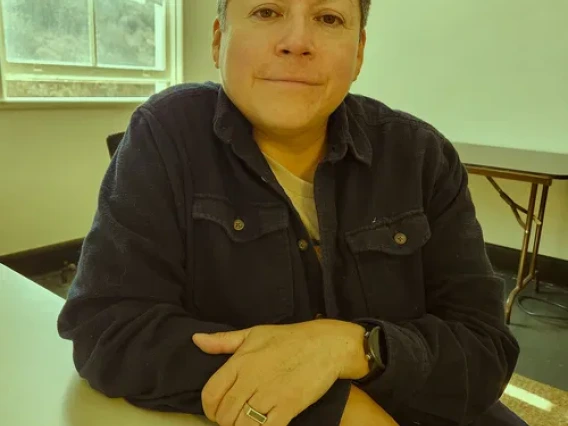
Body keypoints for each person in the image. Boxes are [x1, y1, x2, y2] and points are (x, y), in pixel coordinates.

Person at [57, 0, 527, 425]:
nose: (297, 42)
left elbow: (485, 346)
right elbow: (107, 328)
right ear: (219, 38)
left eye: (328, 19)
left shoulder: (421, 156)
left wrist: (354, 346)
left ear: (359, 52)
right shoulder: (165, 137)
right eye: (266, 12)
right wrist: (332, 405)